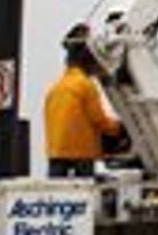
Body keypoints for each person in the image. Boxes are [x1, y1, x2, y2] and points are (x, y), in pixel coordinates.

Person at [44, 23, 122, 178]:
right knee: (86, 195)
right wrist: (120, 129)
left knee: (58, 193)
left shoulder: (56, 88)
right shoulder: (84, 86)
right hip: (81, 155)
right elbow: (99, 120)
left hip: (55, 154)